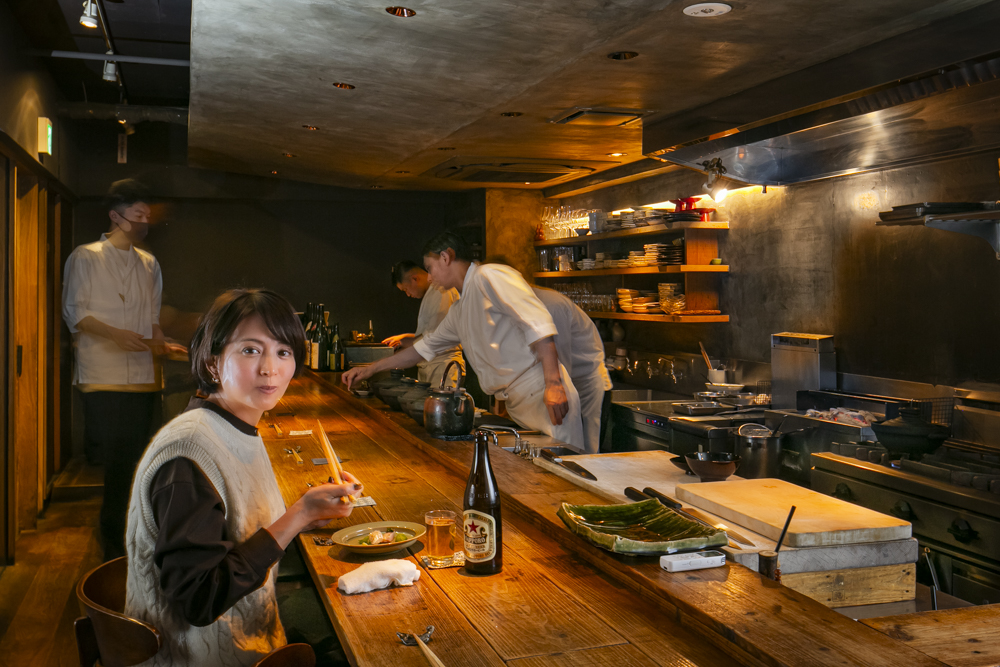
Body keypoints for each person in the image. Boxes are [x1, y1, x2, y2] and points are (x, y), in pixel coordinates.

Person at [125, 288, 359, 666]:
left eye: (283, 352)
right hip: (200, 656)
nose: (270, 368)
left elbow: (236, 521)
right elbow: (199, 601)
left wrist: (309, 508)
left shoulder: (233, 426)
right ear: (214, 362)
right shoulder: (188, 453)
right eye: (250, 350)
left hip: (250, 633)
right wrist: (297, 516)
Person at [344, 232, 584, 448]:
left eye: (430, 268)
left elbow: (537, 323)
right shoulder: (460, 309)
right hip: (519, 402)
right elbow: (422, 349)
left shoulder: (490, 275)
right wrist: (369, 370)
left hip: (543, 393)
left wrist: (553, 384)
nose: (429, 276)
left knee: (563, 477)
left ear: (446, 257)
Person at [62, 178, 185, 560]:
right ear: (116, 216)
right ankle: (114, 540)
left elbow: (151, 318)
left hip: (144, 376)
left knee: (138, 459)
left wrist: (161, 342)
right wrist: (114, 334)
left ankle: (135, 536)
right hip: (103, 375)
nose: (144, 222)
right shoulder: (86, 256)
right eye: (137, 215)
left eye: (147, 215)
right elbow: (76, 311)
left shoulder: (148, 263)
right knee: (117, 461)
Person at [531, 286, 612, 454]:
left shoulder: (551, 305)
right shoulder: (527, 306)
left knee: (585, 455)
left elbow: (560, 364)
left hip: (586, 386)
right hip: (561, 385)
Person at [382, 260, 464, 386]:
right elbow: (430, 333)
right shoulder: (431, 293)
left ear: (414, 278)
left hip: (443, 366)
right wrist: (405, 338)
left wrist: (407, 342)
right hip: (432, 366)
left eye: (405, 289)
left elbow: (437, 337)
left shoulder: (441, 290)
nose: (408, 294)